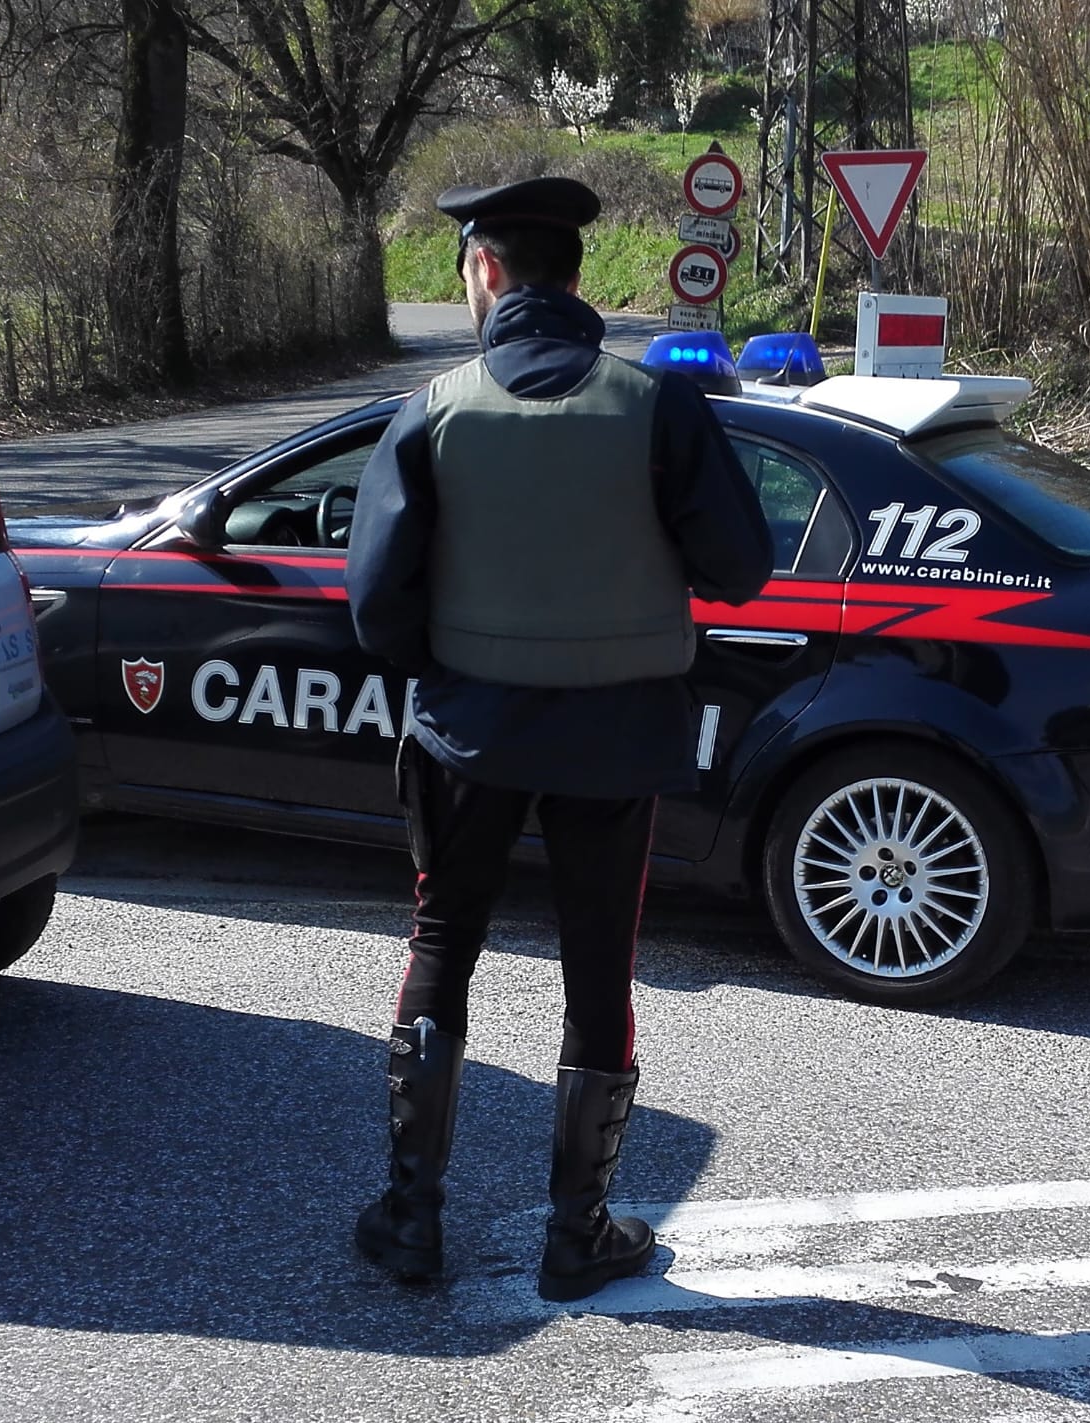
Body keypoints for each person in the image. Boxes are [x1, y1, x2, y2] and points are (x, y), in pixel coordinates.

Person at [344, 175, 773, 1302]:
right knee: (599, 968)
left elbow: (377, 610)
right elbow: (738, 566)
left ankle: (409, 1218)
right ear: (574, 276)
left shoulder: (431, 409)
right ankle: (577, 1232)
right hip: (615, 737)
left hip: (469, 733)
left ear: (482, 269)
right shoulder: (657, 406)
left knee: (444, 944)